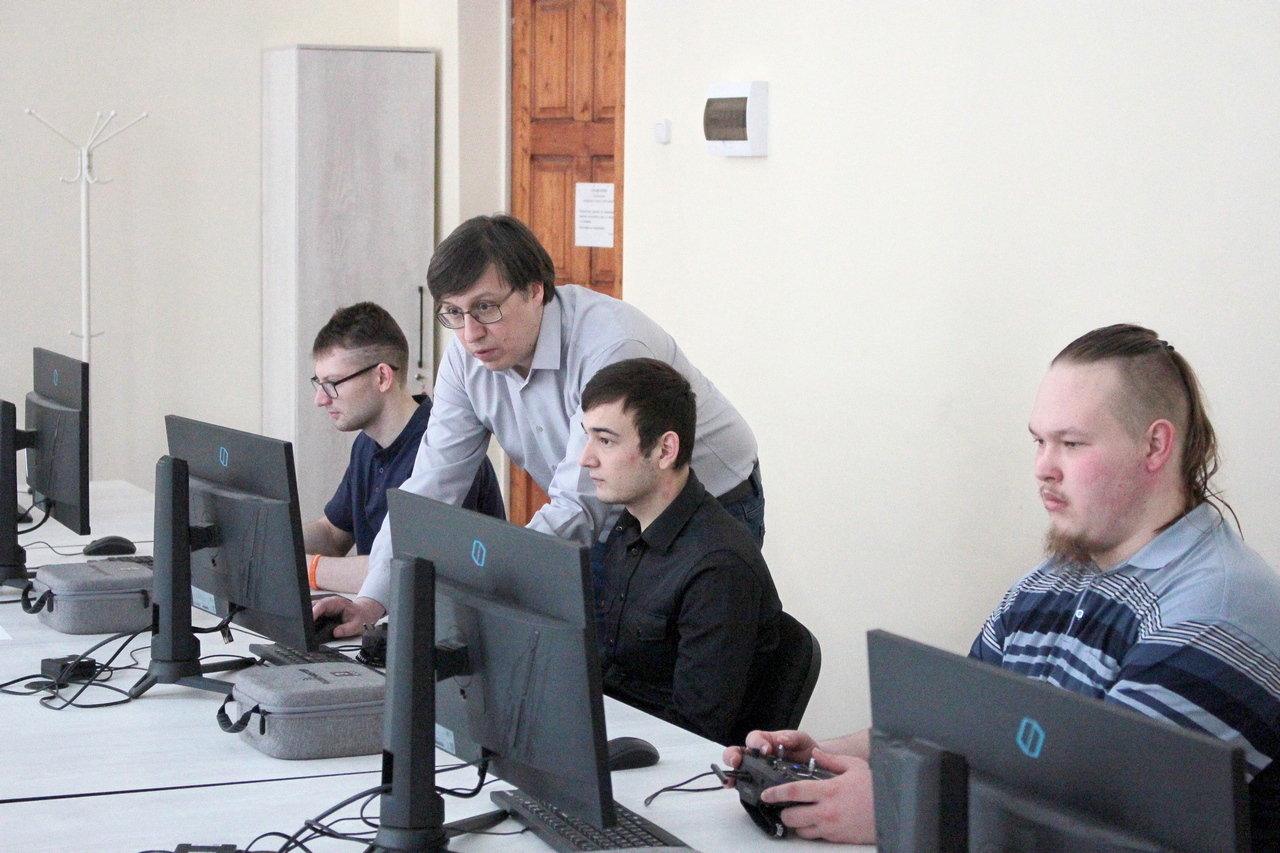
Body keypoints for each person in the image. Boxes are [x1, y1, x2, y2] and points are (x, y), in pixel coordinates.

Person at [723, 324, 1280, 848]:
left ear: (1155, 446)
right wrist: (822, 757)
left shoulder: (1215, 611)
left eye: (1072, 444)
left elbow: (1110, 825)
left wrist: (898, 804)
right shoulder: (1053, 579)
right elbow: (970, 729)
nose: (1043, 467)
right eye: (1039, 441)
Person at [316, 214, 762, 636]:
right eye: (453, 312)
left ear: (535, 291)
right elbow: (430, 488)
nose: (470, 333)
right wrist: (373, 600)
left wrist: (494, 581)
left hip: (706, 500)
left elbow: (580, 505)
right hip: (605, 509)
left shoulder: (610, 344)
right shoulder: (465, 358)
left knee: (657, 666)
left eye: (485, 307)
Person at [581, 358, 781, 745]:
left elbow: (696, 730)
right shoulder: (628, 525)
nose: (585, 458)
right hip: (616, 735)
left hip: (671, 761)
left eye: (605, 441)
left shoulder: (717, 568)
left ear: (665, 450)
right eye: (587, 437)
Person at [304, 302, 505, 593]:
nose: (320, 399)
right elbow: (332, 533)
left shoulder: (446, 453)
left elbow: (405, 569)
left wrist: (306, 568)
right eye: (319, 384)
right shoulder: (366, 445)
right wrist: (267, 542)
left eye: (332, 383)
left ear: (382, 377)